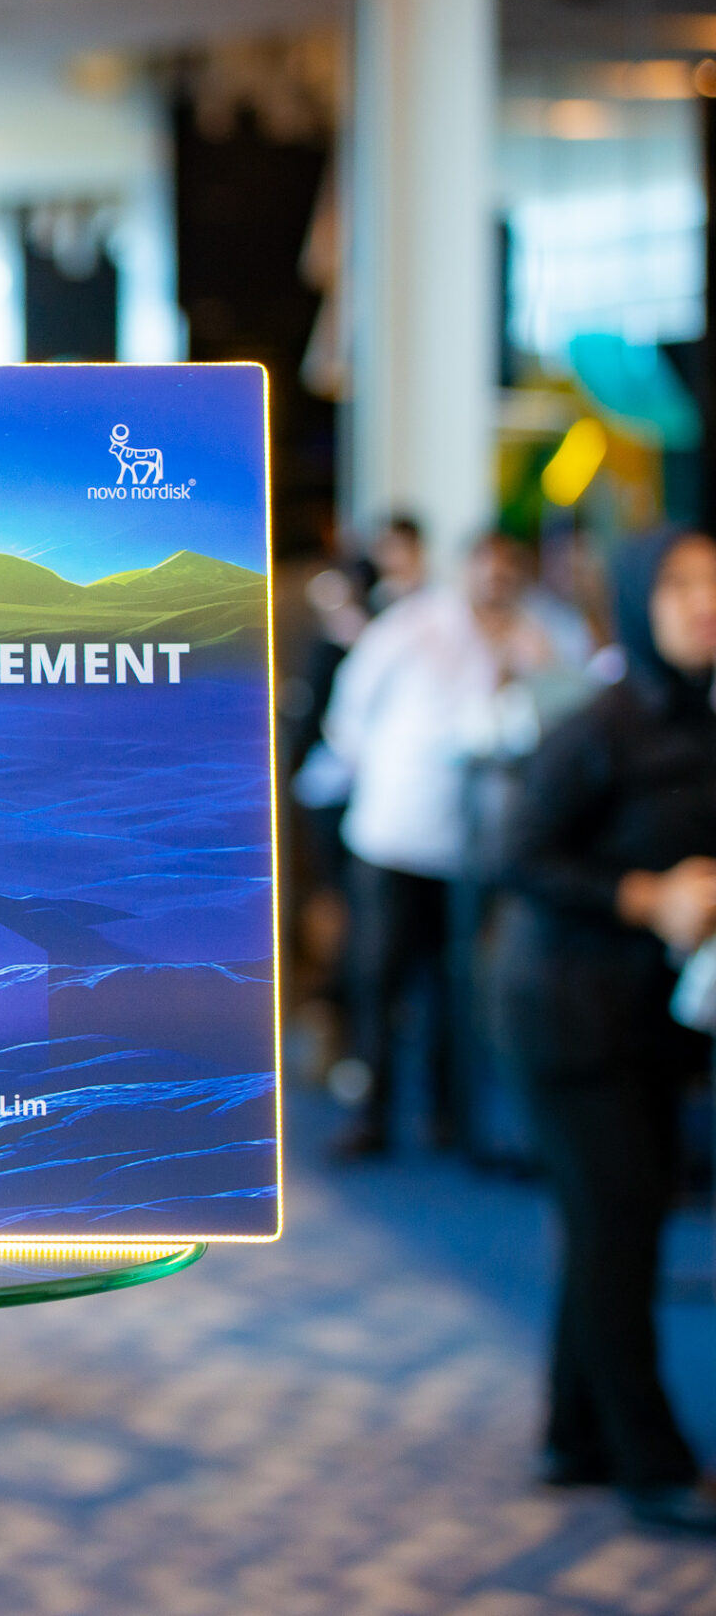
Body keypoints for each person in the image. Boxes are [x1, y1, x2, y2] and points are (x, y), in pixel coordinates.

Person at [498, 525, 716, 1535]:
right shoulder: (600, 725)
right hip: (565, 1013)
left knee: (609, 1223)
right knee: (617, 1229)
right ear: (635, 600)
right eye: (677, 585)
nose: (702, 603)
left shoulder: (700, 718)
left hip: (647, 1018)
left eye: (714, 582)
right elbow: (519, 853)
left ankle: (572, 1434)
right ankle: (650, 1460)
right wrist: (645, 895)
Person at [321, 531, 582, 1155]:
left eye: (508, 570)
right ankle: (372, 1113)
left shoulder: (543, 635)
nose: (496, 580)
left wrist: (536, 665)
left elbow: (569, 714)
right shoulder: (413, 625)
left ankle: (447, 1117)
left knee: (453, 983)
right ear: (467, 570)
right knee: (380, 977)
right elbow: (350, 707)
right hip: (396, 830)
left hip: (474, 848)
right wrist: (374, 768)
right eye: (487, 568)